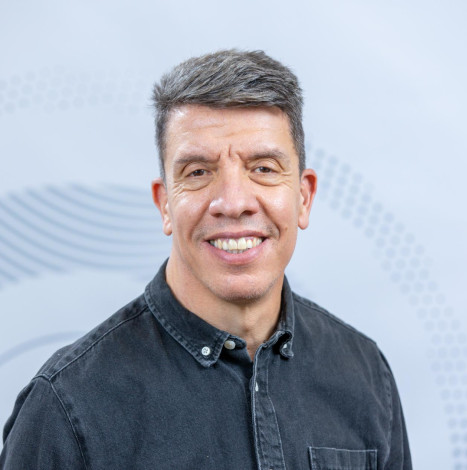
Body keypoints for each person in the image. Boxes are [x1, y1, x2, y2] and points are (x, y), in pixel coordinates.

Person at [0, 50, 412, 469]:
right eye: (198, 172)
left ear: (303, 198)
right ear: (164, 204)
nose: (233, 203)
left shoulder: (366, 375)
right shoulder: (65, 408)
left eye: (264, 168)